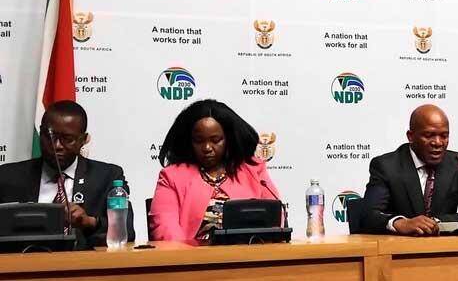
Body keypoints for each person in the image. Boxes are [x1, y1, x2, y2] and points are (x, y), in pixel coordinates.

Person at [0, 100, 135, 248]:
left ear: (83, 140)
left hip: (82, 261)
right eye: (50, 137)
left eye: (68, 139)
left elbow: (127, 231)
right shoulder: (8, 177)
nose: (56, 145)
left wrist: (90, 222)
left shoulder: (107, 177)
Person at [149, 99, 281, 241]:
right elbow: (165, 228)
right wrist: (186, 254)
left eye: (216, 140)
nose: (207, 148)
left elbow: (276, 219)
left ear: (229, 139)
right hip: (192, 253)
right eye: (199, 141)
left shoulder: (253, 169)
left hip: (249, 252)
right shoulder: (171, 176)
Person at [362, 104, 458, 235]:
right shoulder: (387, 166)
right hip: (401, 245)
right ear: (410, 136)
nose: (438, 142)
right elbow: (369, 216)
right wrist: (401, 223)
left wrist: (437, 222)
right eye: (429, 135)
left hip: (445, 244)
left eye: (444, 136)